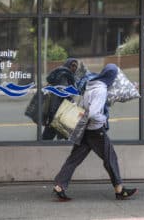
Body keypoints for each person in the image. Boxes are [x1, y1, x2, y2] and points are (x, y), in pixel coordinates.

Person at [52, 63, 138, 201]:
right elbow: (93, 113)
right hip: (95, 130)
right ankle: (119, 190)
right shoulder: (101, 90)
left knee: (74, 159)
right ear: (110, 77)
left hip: (85, 129)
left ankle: (59, 186)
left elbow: (82, 106)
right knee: (111, 158)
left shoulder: (91, 85)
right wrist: (103, 118)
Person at [42, 58, 79, 140]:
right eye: (72, 65)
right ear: (68, 65)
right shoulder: (64, 76)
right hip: (59, 111)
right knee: (55, 136)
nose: (74, 68)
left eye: (76, 66)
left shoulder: (65, 75)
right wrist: (72, 101)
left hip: (58, 110)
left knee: (49, 136)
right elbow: (63, 92)